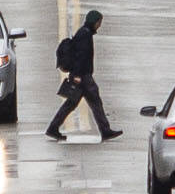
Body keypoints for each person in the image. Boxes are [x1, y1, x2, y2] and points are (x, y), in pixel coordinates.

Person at [46, 10, 121, 141]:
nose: (100, 25)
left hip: (82, 75)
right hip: (83, 77)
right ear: (95, 22)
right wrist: (76, 75)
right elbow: (81, 57)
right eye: (99, 22)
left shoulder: (84, 33)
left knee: (73, 104)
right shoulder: (84, 35)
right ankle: (105, 131)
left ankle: (53, 128)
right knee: (94, 103)